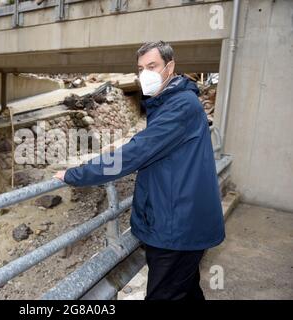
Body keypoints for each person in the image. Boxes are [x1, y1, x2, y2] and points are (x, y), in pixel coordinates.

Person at [54, 41, 225, 300]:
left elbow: (135, 153)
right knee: (186, 291)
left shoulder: (180, 107)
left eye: (152, 66)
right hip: (181, 220)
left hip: (176, 228)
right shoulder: (171, 103)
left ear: (170, 67)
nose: (145, 73)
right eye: (140, 68)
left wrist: (76, 174)